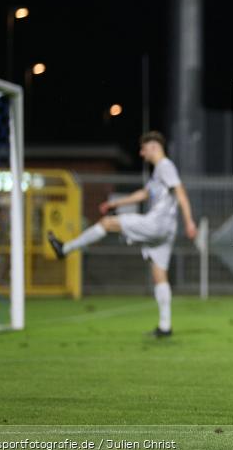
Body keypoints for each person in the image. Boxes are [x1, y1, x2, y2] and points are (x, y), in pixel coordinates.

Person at [48, 132, 197, 337]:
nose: (141, 153)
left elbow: (180, 192)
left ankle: (65, 249)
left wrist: (189, 221)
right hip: (165, 230)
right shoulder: (157, 173)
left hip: (157, 224)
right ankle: (165, 326)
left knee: (108, 223)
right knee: (159, 273)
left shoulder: (165, 166)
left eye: (143, 148)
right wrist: (116, 203)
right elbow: (144, 194)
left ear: (153, 147)